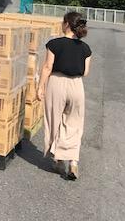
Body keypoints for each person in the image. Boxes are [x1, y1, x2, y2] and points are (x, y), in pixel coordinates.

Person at [36, 12, 92, 180]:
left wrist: (40, 87)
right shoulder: (86, 48)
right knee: (74, 124)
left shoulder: (54, 44)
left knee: (54, 121)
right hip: (77, 86)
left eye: (63, 22)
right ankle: (73, 162)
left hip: (57, 83)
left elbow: (47, 67)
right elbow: (86, 72)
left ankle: (58, 160)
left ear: (67, 24)